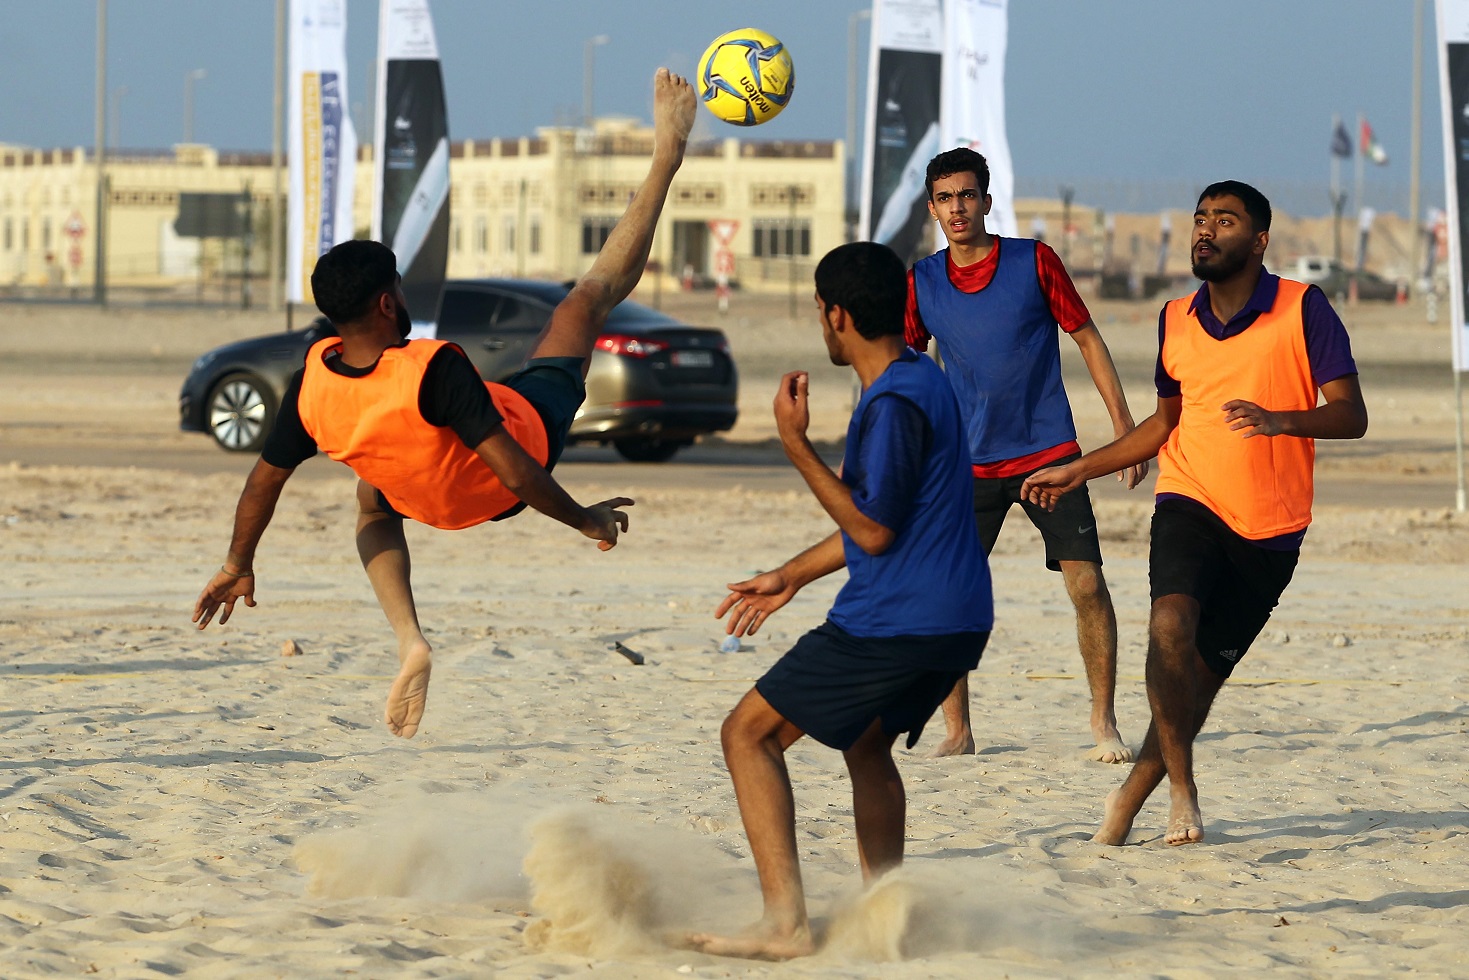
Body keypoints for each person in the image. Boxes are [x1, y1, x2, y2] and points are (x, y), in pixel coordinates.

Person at [192, 69, 698, 739]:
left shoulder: (313, 381)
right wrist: (584, 520)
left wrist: (237, 563)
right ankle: (667, 156)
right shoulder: (433, 366)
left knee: (369, 497)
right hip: (517, 452)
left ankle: (410, 639)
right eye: (398, 289)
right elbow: (516, 472)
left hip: (424, 499)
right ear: (385, 302)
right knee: (588, 297)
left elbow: (265, 481)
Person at [1021, 180, 1368, 846]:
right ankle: (1182, 791)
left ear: (1258, 239)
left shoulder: (1303, 308)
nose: (1205, 230)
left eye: (1225, 220)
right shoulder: (1174, 317)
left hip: (1270, 529)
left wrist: (1280, 420)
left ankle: (1127, 800)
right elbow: (1164, 424)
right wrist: (1079, 468)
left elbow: (1350, 413)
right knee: (1168, 624)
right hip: (1189, 496)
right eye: (1200, 219)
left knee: (1194, 688)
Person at [687, 242, 993, 960]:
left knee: (747, 735)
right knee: (865, 742)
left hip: (896, 621)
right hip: (957, 621)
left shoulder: (889, 403)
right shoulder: (924, 377)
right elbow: (887, 516)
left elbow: (874, 529)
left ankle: (783, 926)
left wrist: (794, 445)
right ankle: (885, 918)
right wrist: (791, 574)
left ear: (836, 315)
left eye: (822, 313)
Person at [905, 146, 1145, 763]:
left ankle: (1103, 722)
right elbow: (902, 368)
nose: (957, 207)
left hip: (1050, 456)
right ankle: (957, 730)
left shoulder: (1034, 261)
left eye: (967, 195)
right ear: (932, 208)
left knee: (1087, 584)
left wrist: (1122, 428)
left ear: (986, 202)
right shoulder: (922, 282)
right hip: (964, 465)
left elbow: (1086, 336)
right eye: (945, 198)